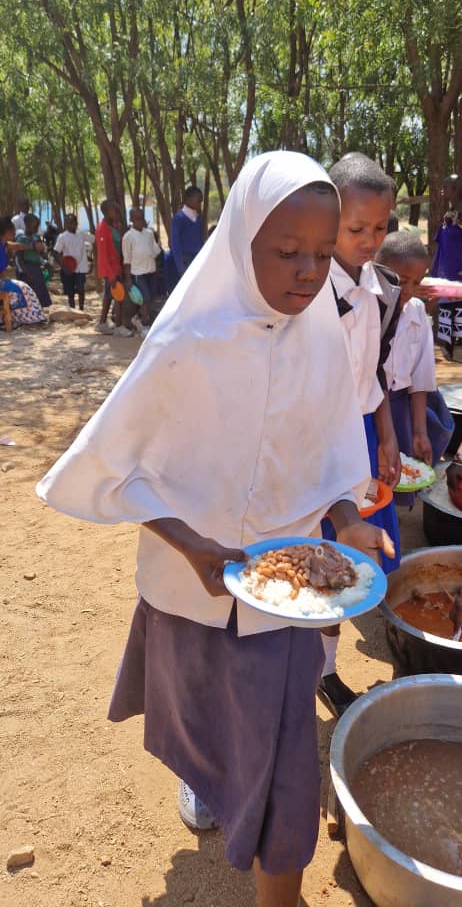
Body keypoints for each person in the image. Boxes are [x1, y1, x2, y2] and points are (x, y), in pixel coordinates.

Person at [37, 151, 394, 907]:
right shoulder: (184, 344)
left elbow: (334, 457)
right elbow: (115, 465)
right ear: (239, 241)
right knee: (214, 729)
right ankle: (215, 786)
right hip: (192, 589)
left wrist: (347, 521)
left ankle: (279, 892)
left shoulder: (320, 335)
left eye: (322, 255)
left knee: (288, 748)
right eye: (286, 252)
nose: (307, 272)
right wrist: (192, 543)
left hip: (288, 596)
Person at [320, 153, 401, 717]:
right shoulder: (303, 289)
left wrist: (388, 436)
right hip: (314, 449)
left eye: (380, 228)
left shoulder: (386, 290)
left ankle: (323, 670)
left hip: (364, 442)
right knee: (316, 562)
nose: (369, 240)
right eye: (356, 228)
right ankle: (306, 670)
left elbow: (377, 371)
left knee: (354, 567)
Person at [376, 231, 454, 505]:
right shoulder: (366, 312)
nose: (407, 290)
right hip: (370, 407)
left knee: (399, 475)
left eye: (417, 282)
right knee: (373, 477)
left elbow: (421, 378)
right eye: (400, 280)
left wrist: (419, 431)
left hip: (400, 408)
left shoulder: (418, 313)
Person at [431, 190, 462, 361]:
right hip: (453, 276)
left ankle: (449, 349)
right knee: (456, 312)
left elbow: (439, 249)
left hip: (446, 276)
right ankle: (452, 350)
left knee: (449, 313)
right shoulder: (449, 231)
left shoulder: (444, 229)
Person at [95, 200, 132, 337]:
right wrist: (111, 275)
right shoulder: (103, 228)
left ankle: (102, 323)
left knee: (109, 296)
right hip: (110, 270)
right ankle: (118, 326)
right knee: (118, 297)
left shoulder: (113, 226)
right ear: (106, 212)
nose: (117, 213)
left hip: (116, 267)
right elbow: (103, 254)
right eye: (114, 210)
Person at [0, 216, 46, 327]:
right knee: (23, 290)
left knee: (23, 288)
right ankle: (30, 319)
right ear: (8, 231)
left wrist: (32, 246)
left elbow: (19, 246)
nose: (15, 232)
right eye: (14, 230)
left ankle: (29, 318)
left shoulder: (4, 243)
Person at [122, 207, 161, 335]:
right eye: (137, 218)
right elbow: (127, 260)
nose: (140, 220)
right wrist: (128, 279)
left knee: (151, 299)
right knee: (145, 299)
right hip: (137, 273)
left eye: (142, 217)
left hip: (151, 271)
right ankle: (144, 325)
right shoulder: (128, 237)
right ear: (131, 219)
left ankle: (137, 318)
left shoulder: (149, 233)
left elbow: (155, 250)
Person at [13, 213, 52, 308]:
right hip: (27, 270)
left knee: (40, 293)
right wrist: (25, 273)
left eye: (37, 227)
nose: (36, 229)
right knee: (29, 294)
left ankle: (39, 315)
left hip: (37, 269)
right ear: (26, 224)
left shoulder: (36, 237)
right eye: (34, 226)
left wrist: (46, 263)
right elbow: (19, 258)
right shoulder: (21, 239)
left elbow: (41, 254)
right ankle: (31, 317)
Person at [54, 213, 89, 311]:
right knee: (70, 292)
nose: (71, 225)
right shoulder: (62, 237)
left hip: (81, 268)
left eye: (73, 222)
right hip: (68, 268)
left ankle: (81, 308)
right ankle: (73, 310)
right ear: (65, 224)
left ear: (76, 223)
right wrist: (63, 265)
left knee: (81, 289)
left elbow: (94, 239)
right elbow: (56, 252)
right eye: (68, 223)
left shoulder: (81, 234)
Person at [170, 186, 203, 281]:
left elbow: (200, 240)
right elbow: (175, 243)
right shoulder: (179, 218)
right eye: (198, 200)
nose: (200, 202)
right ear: (188, 199)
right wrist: (181, 268)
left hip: (197, 260)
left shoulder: (198, 218)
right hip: (185, 261)